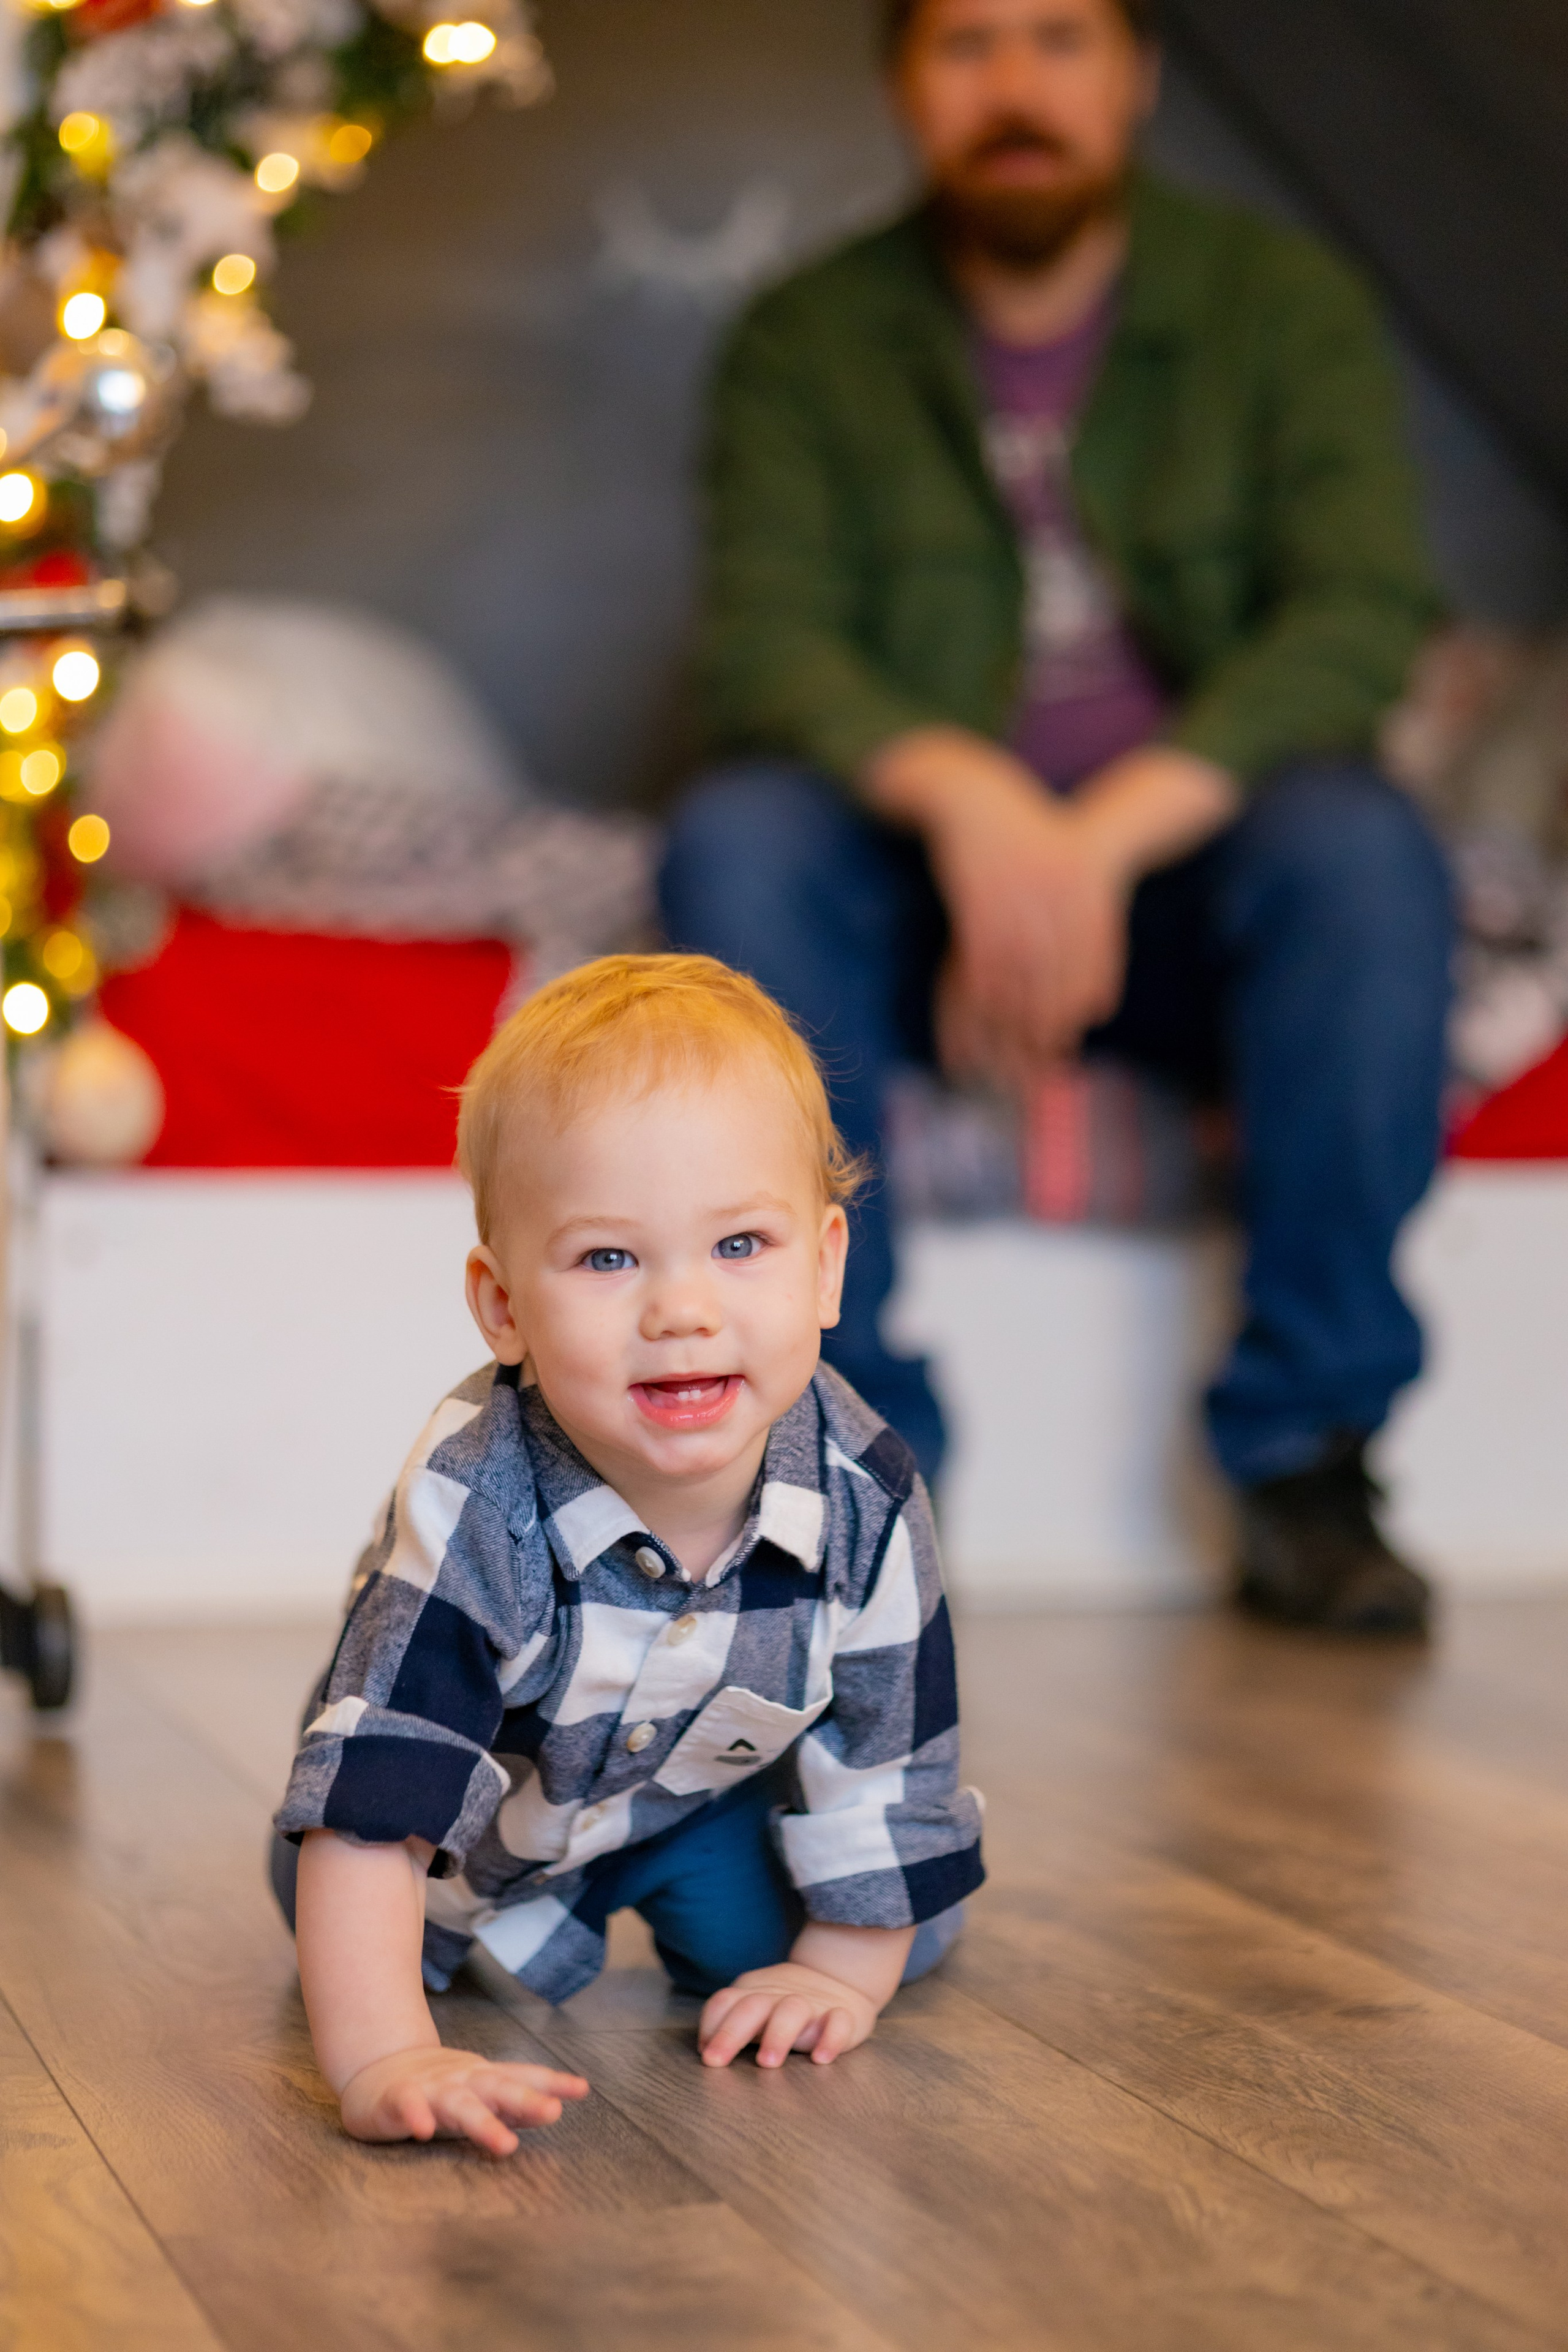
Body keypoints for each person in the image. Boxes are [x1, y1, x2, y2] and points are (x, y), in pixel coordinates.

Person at [660, 0, 1455, 1635]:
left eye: (1059, 38)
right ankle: (842, 1469)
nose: (1016, 86)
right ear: (901, 85)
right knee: (735, 842)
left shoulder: (1277, 305)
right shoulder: (808, 336)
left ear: (1139, 74)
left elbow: (1360, 615)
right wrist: (974, 804)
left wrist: (1095, 841)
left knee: (1367, 857)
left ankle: (1313, 1455)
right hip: (914, 883)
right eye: (967, 45)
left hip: (1186, 882)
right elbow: (765, 639)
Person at [271, 954, 983, 2152]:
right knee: (347, 1915)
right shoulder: (475, 1493)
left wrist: (838, 1979)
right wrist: (385, 2056)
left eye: (740, 1246)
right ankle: (416, 1977)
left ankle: (755, 1924)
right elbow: (377, 1795)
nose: (681, 1310)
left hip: (697, 1806)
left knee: (893, 1918)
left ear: (826, 1265)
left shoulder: (867, 1494)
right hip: (474, 1843)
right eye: (609, 1259)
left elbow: (889, 1765)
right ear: (502, 1309)